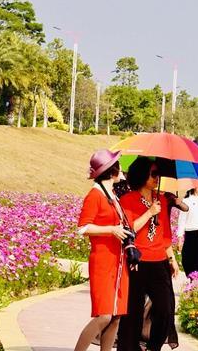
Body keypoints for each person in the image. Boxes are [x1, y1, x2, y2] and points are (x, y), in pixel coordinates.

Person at [117, 157, 186, 351]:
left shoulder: (162, 199)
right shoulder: (127, 200)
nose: (157, 178)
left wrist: (172, 259)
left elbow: (164, 234)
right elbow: (128, 229)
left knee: (165, 309)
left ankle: (153, 347)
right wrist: (149, 212)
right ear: (141, 175)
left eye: (158, 174)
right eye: (153, 174)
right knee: (134, 313)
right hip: (137, 262)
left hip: (159, 262)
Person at [74, 150, 134, 351]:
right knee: (104, 316)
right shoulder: (95, 195)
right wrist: (111, 230)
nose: (122, 169)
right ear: (112, 170)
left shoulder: (114, 196)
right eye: (118, 165)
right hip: (103, 261)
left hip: (119, 261)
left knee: (116, 316)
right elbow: (83, 228)